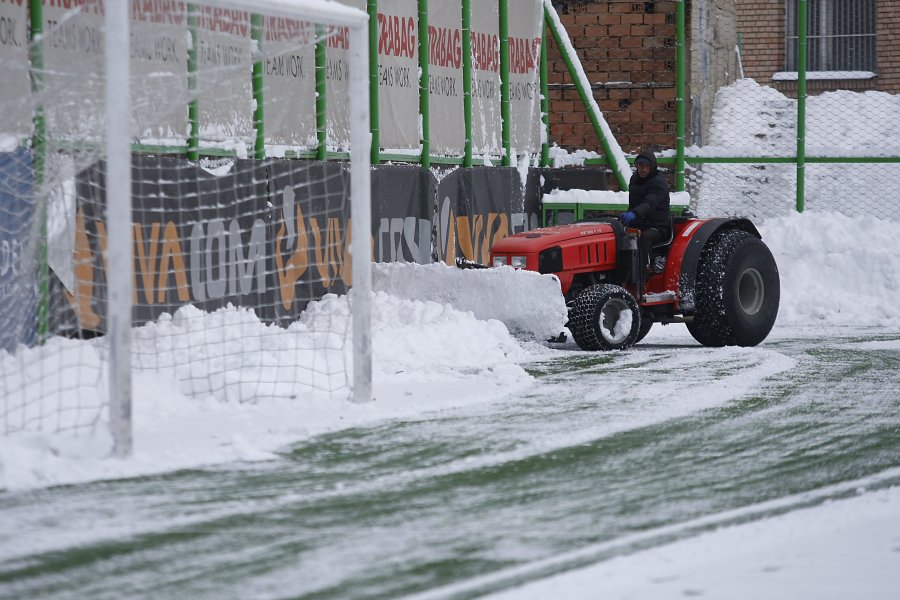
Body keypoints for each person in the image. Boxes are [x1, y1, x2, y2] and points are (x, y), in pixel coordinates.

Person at [619, 151, 671, 274]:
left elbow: (649, 204)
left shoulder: (659, 182)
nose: (642, 169)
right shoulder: (634, 179)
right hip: (638, 223)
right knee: (618, 233)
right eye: (640, 165)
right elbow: (633, 203)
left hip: (658, 226)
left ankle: (643, 273)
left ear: (652, 166)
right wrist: (626, 217)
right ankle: (622, 273)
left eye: (646, 166)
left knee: (645, 237)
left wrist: (634, 214)